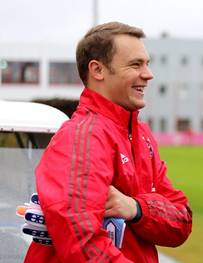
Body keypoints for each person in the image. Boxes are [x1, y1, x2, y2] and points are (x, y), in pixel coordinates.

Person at [23, 22, 192, 262]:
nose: (148, 74)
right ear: (98, 70)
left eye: (147, 64)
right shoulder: (82, 137)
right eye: (135, 64)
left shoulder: (142, 136)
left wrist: (136, 208)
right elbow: (83, 245)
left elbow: (182, 222)